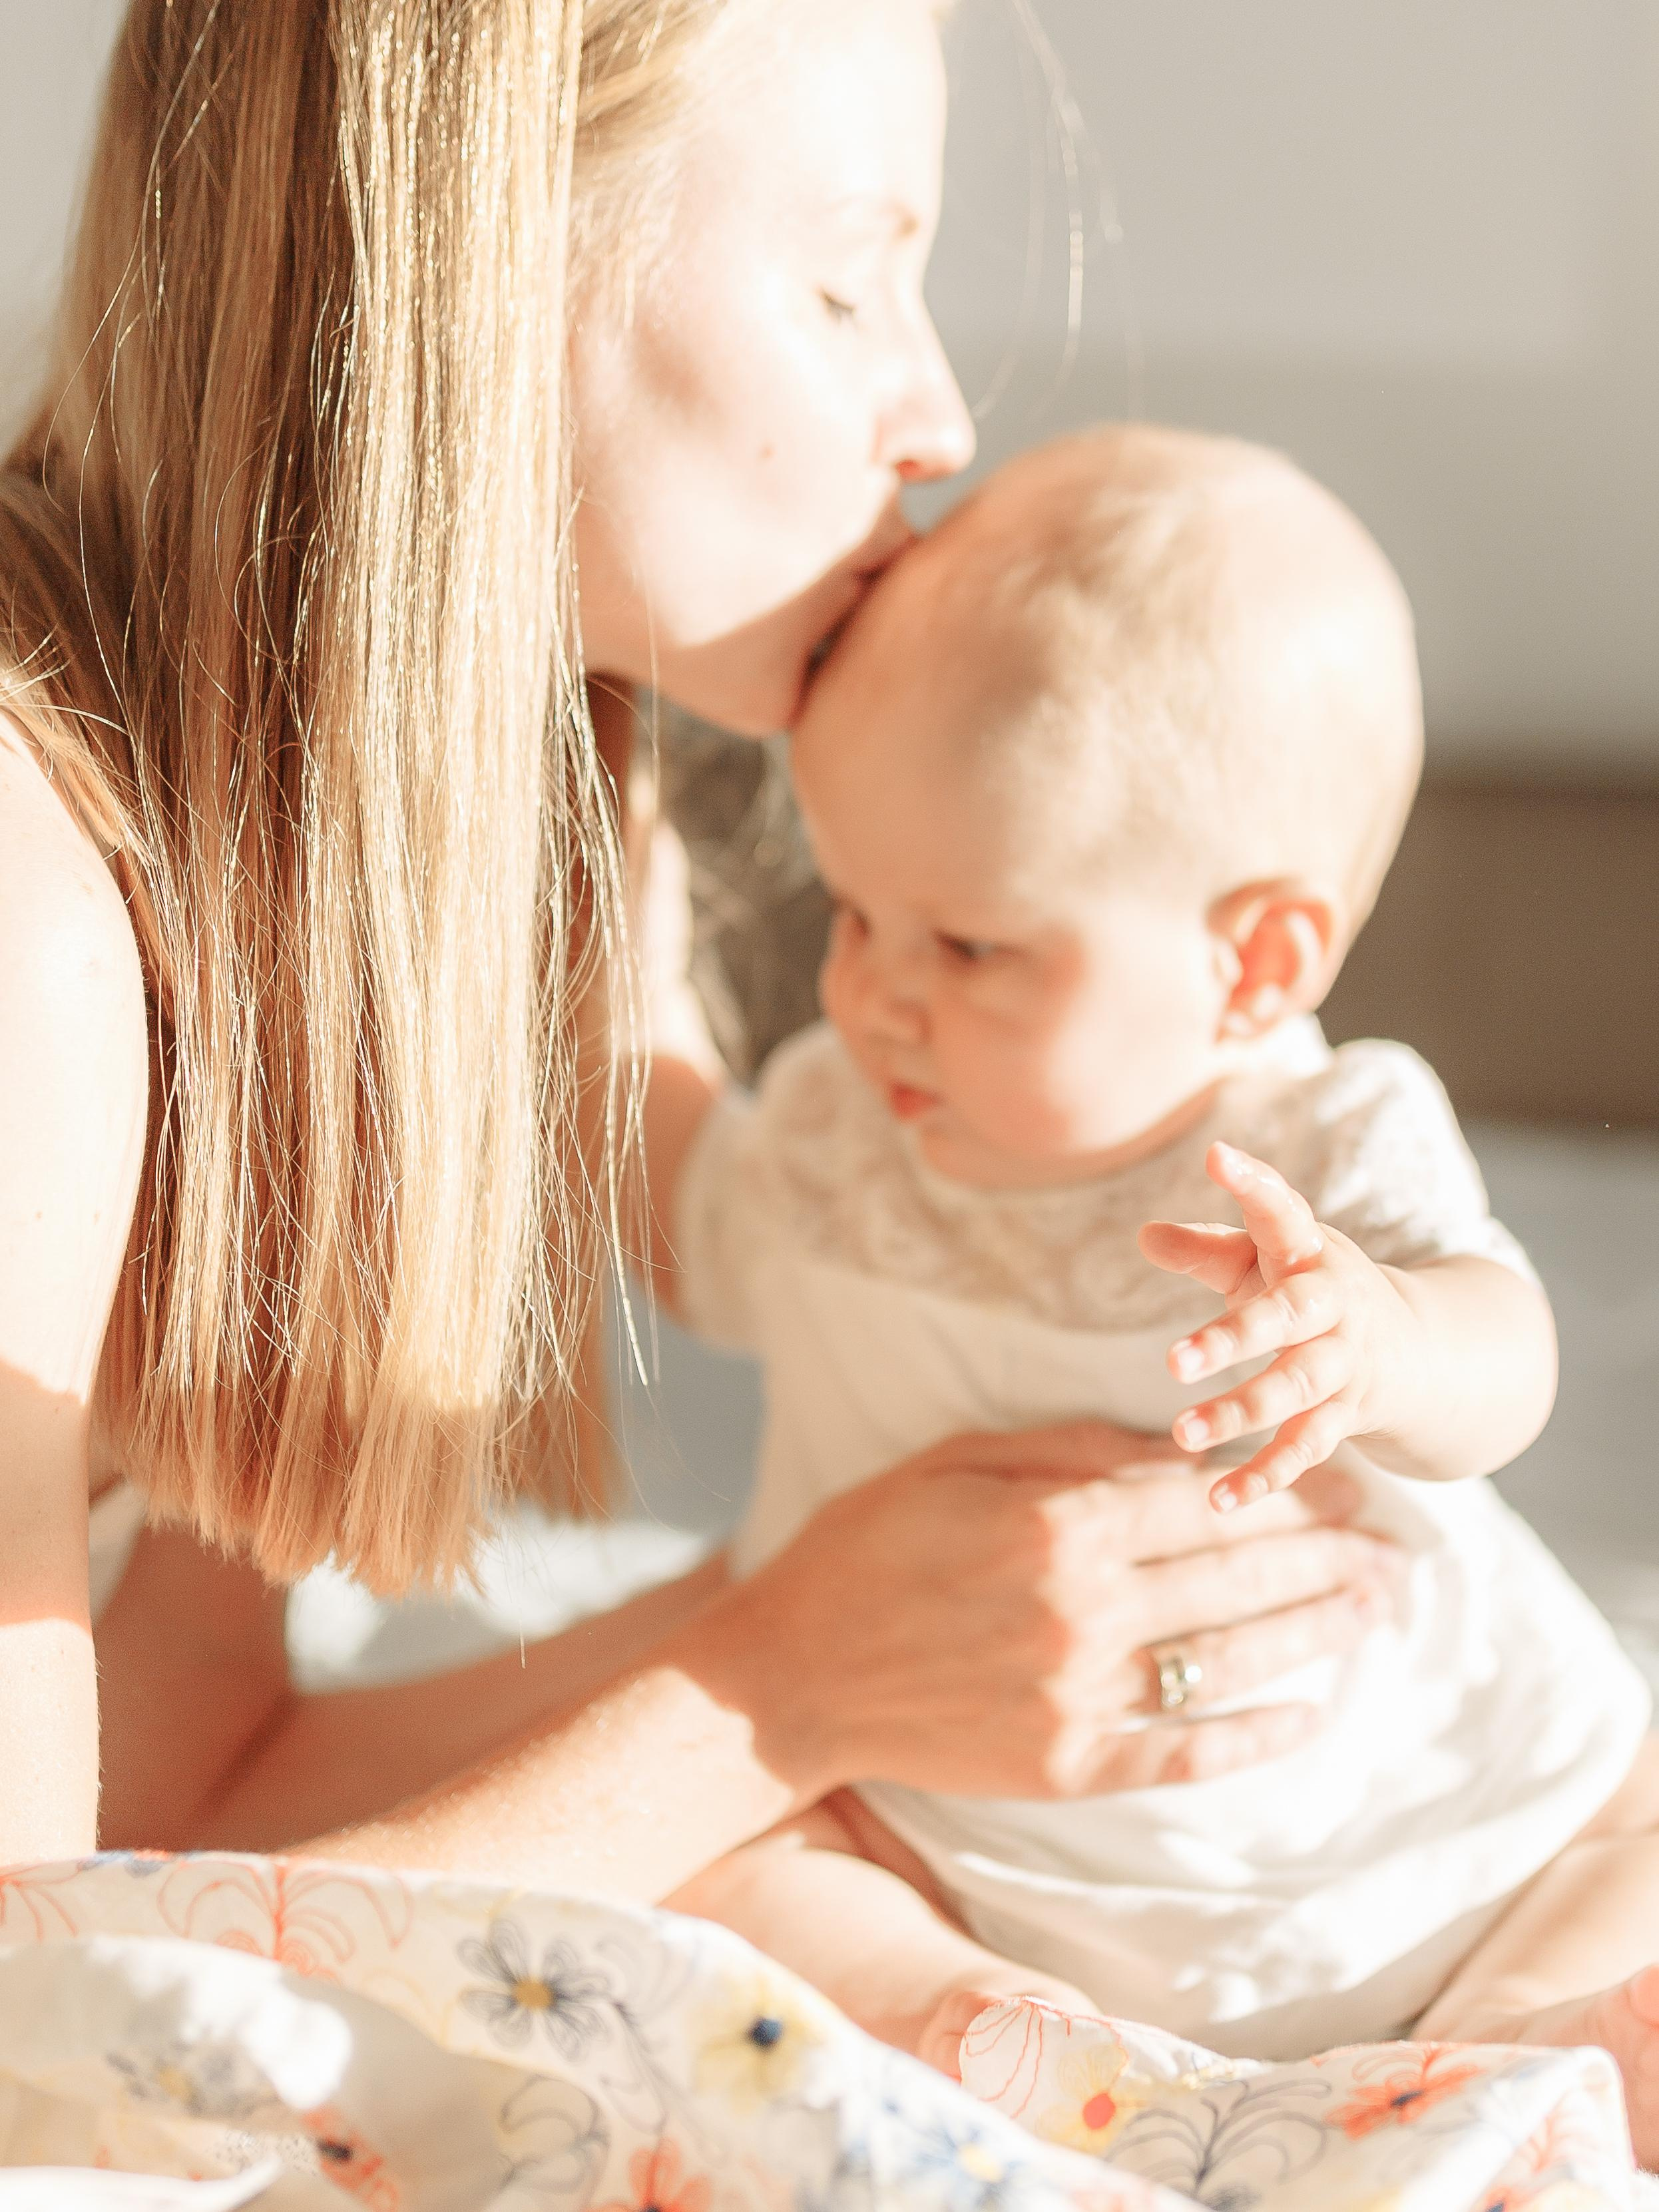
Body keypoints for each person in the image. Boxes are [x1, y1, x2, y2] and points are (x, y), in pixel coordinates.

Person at [0, 3, 1396, 1904]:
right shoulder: (32, 927)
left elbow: (172, 1791)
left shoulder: (424, 850)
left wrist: (855, 1630)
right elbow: (30, 2020)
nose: (942, 420)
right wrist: (775, 1687)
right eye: (843, 290)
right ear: (479, 262)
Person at [640, 425, 1659, 2157]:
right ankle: (970, 2032)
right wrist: (606, 929)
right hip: (971, 1857)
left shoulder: (1312, 1142)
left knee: (1627, 1808)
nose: (871, 992)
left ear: (1251, 962)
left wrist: (1380, 1333)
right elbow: (679, 1218)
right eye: (851, 910)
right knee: (728, 1850)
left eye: (963, 944)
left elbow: (1510, 1358)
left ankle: (1503, 2050)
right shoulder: (827, 1126)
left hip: (1434, 1846)